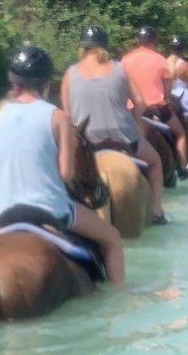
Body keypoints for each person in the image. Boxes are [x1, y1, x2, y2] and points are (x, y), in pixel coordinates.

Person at [0, 45, 125, 284]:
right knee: (112, 239)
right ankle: (121, 298)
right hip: (51, 209)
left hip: (5, 212)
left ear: (13, 81)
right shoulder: (58, 116)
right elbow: (66, 173)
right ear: (45, 82)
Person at [61, 25, 167, 225]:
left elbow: (67, 116)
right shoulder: (120, 68)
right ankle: (157, 212)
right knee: (155, 163)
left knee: (65, 173)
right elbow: (140, 103)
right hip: (122, 137)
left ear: (82, 48)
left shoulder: (69, 74)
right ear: (105, 47)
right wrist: (135, 126)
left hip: (87, 143)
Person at [121, 26, 188, 181]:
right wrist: (168, 99)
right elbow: (167, 85)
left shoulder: (125, 60)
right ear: (154, 41)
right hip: (157, 107)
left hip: (132, 108)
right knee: (180, 133)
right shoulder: (160, 59)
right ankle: (183, 167)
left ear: (138, 41)